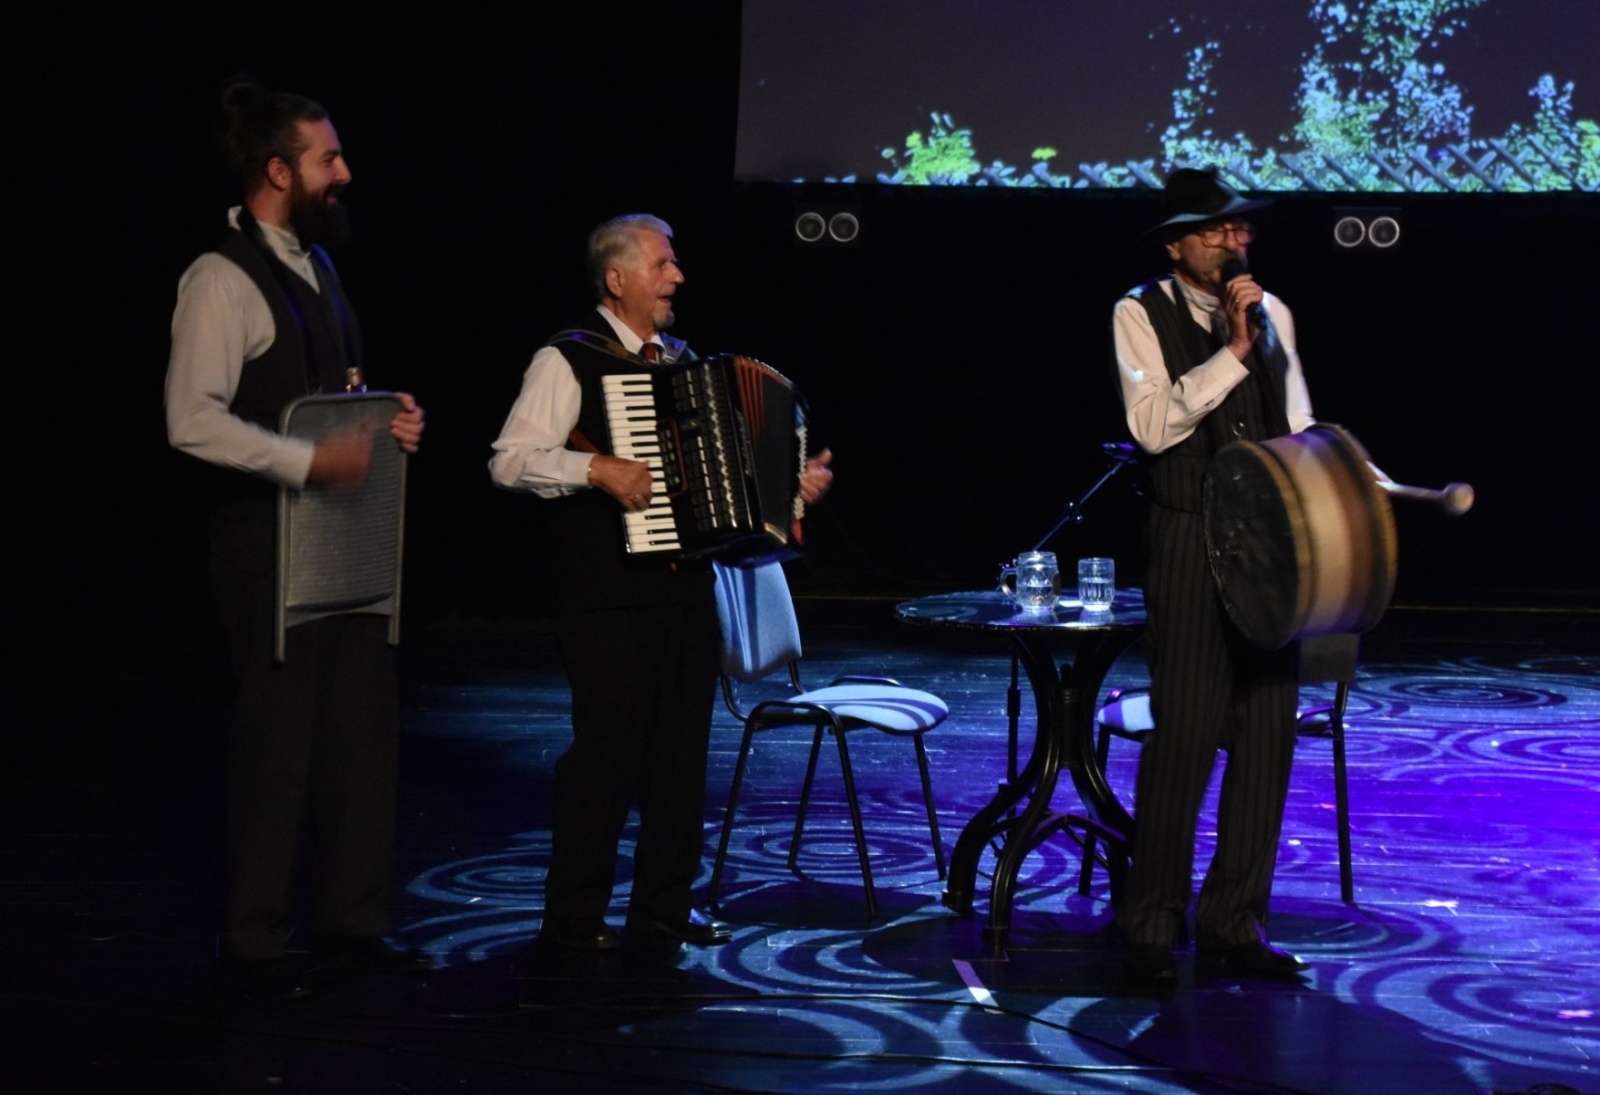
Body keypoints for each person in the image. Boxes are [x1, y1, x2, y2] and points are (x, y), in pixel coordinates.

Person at [490, 213, 833, 951]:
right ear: (617, 280)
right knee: (606, 756)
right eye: (661, 264)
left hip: (684, 593)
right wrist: (595, 468)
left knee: (680, 759)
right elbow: (510, 460)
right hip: (606, 595)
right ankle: (574, 917)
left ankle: (663, 909)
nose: (677, 276)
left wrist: (789, 491)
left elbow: (729, 489)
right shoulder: (568, 358)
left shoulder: (684, 365)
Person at [165, 78, 431, 996]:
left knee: (360, 733)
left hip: (342, 541)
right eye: (328, 159)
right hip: (264, 541)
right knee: (278, 743)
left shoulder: (319, 267)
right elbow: (190, 420)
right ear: (278, 172)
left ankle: (354, 919)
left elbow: (329, 395)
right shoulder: (220, 277)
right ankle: (256, 936)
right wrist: (306, 460)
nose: (344, 173)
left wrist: (387, 420)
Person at [1110, 169, 1315, 982]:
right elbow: (1154, 427)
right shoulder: (1139, 312)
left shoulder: (1275, 314)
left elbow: (1297, 425)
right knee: (1187, 733)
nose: (1233, 241)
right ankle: (1152, 925)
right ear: (1176, 245)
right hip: (1188, 532)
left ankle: (1235, 922)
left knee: (1266, 731)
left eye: (1239, 228)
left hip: (1267, 544)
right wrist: (1231, 352)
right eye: (1215, 230)